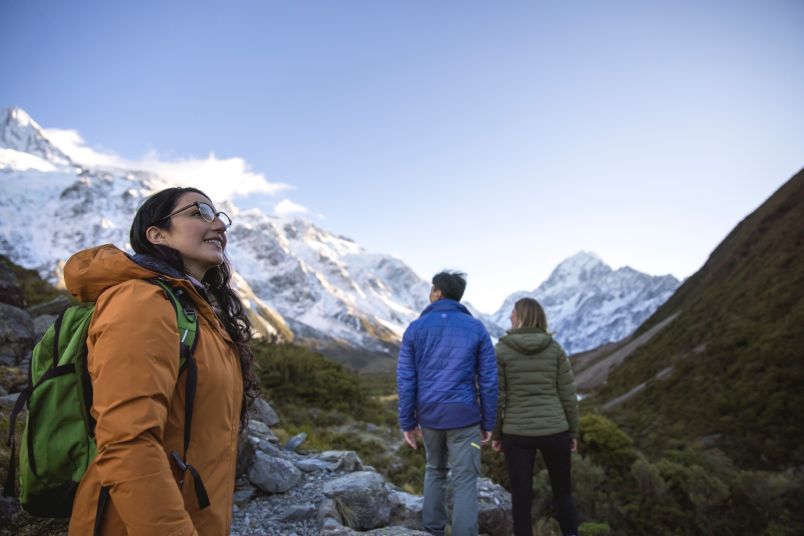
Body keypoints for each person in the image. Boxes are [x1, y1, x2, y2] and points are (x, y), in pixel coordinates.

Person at [66, 187, 259, 536]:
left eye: (218, 215)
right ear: (156, 234)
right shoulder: (142, 302)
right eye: (198, 212)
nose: (218, 225)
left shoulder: (198, 312)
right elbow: (128, 442)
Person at [397, 271, 498, 536]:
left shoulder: (415, 328)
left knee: (435, 471)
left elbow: (406, 379)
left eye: (431, 289)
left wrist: (408, 422)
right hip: (465, 417)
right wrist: (488, 421)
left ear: (438, 292)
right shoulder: (476, 328)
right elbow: (488, 380)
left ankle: (431, 531)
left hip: (429, 415)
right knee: (465, 481)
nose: (429, 294)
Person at [491, 297, 579, 536]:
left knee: (521, 497)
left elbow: (497, 397)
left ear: (520, 317)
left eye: (513, 313)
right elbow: (568, 395)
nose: (509, 316)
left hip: (517, 433)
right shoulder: (555, 348)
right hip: (555, 430)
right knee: (563, 493)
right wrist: (572, 432)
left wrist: (497, 433)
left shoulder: (502, 350)